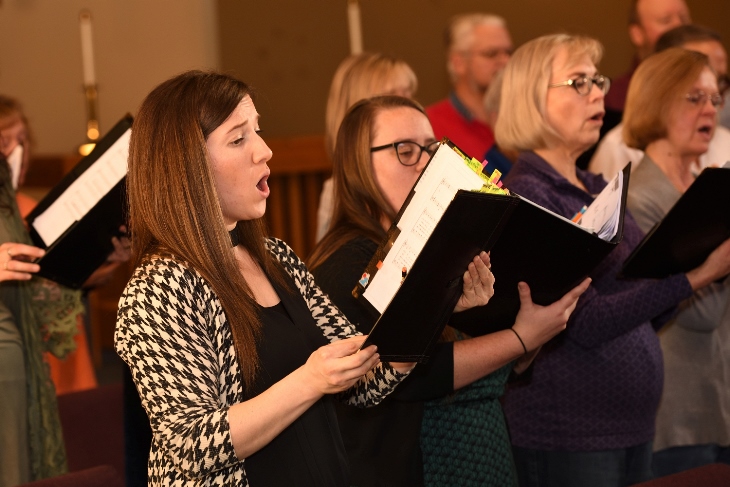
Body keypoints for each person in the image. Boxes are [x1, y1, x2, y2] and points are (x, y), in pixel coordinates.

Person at [114, 70, 496, 486]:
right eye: (238, 139)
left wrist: (435, 303)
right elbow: (189, 446)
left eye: (257, 131)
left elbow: (364, 378)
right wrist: (311, 380)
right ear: (185, 164)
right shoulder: (158, 288)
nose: (264, 150)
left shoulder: (277, 259)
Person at [307, 95, 590, 486]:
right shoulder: (349, 261)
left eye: (431, 149)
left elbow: (492, 363)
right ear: (358, 165)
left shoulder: (427, 242)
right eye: (406, 151)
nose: (425, 163)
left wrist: (525, 332)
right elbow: (410, 372)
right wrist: (520, 338)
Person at [495, 33, 730, 487]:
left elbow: (649, 294)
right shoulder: (529, 195)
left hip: (629, 427)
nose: (599, 92)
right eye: (579, 82)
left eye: (598, 81)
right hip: (571, 433)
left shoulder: (596, 186)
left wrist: (682, 275)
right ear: (530, 99)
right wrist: (698, 276)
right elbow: (585, 322)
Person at [623, 47, 730, 477]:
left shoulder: (706, 187)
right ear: (656, 101)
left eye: (715, 99)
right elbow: (703, 313)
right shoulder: (639, 199)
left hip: (719, 404)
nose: (710, 109)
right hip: (679, 416)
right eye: (694, 98)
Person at [0, 108, 87, 485]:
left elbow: (39, 291)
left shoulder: (9, 200)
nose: (17, 152)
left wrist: (92, 259)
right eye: (6, 142)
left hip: (17, 360)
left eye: (22, 141)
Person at [589, 24, 730, 181]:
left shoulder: (725, 139)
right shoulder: (617, 149)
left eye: (720, 80)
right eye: (695, 98)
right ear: (660, 90)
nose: (711, 110)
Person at [315, 52, 418, 241]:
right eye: (394, 97)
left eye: (409, 93)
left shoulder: (419, 166)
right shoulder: (338, 192)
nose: (409, 105)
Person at [426, 13, 513, 159]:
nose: (505, 61)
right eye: (491, 53)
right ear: (458, 63)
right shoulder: (430, 126)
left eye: (509, 52)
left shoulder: (523, 120)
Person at [604, 0, 691, 116]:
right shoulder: (617, 97)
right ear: (637, 34)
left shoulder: (711, 87)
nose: (679, 26)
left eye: (684, 18)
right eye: (666, 20)